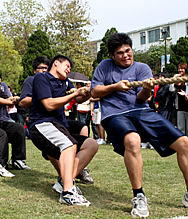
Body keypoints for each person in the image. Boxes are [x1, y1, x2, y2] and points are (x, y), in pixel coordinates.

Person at [91, 32, 188, 217]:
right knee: (133, 140)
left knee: (184, 143)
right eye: (120, 53)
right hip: (115, 114)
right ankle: (139, 196)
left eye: (128, 50)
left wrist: (146, 88)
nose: (125, 55)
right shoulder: (104, 66)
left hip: (142, 111)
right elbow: (95, 91)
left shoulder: (142, 68)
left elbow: (142, 98)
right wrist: (115, 87)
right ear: (112, 55)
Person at [28, 55, 98, 206]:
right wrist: (74, 94)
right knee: (69, 145)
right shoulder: (42, 78)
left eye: (70, 68)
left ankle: (64, 182)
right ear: (56, 63)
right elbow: (49, 104)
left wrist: (87, 91)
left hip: (59, 126)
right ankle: (67, 193)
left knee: (91, 144)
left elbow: (78, 98)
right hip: (42, 125)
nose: (68, 69)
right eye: (66, 65)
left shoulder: (65, 82)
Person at [170, 63, 188, 135]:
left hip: (187, 106)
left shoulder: (186, 81)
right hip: (180, 107)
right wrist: (174, 79)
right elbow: (171, 89)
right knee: (181, 128)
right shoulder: (177, 82)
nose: (180, 70)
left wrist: (185, 94)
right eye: (179, 68)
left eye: (182, 68)